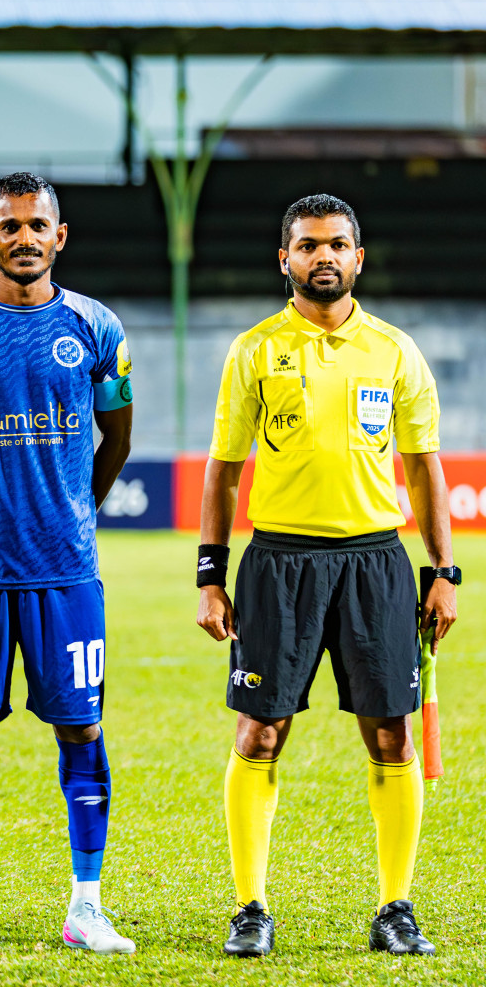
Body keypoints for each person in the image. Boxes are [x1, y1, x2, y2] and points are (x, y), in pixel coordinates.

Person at [197, 193, 455, 958]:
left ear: (358, 257)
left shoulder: (396, 350)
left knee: (391, 734)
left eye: (337, 244)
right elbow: (221, 471)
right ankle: (250, 908)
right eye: (308, 245)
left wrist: (444, 571)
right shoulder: (253, 350)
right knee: (261, 731)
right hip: (277, 560)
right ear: (286, 258)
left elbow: (424, 467)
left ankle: (396, 908)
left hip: (376, 560)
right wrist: (211, 574)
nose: (324, 257)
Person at [0, 172, 135, 956]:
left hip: (66, 571)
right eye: (9, 227)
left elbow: (119, 438)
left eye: (38, 224)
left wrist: (79, 507)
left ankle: (87, 906)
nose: (25, 238)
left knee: (83, 732)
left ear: (60, 235)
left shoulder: (97, 327)